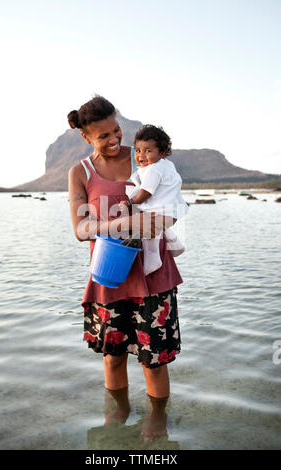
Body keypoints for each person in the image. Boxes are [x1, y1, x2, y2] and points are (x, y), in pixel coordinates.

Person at [67, 96, 183, 435]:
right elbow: (79, 230)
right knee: (113, 354)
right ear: (86, 137)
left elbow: (175, 195)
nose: (115, 140)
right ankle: (118, 413)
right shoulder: (80, 172)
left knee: (155, 359)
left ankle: (157, 417)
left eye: (116, 130)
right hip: (110, 272)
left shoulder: (147, 157)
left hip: (152, 274)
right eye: (103, 136)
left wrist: (163, 221)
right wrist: (120, 225)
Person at [119, 124, 188, 276]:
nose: (141, 155)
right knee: (155, 227)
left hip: (164, 212)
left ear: (162, 153)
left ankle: (153, 260)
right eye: (138, 150)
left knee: (144, 227)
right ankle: (176, 244)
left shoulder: (154, 169)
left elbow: (146, 192)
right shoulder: (166, 165)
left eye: (148, 151)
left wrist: (130, 203)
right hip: (171, 212)